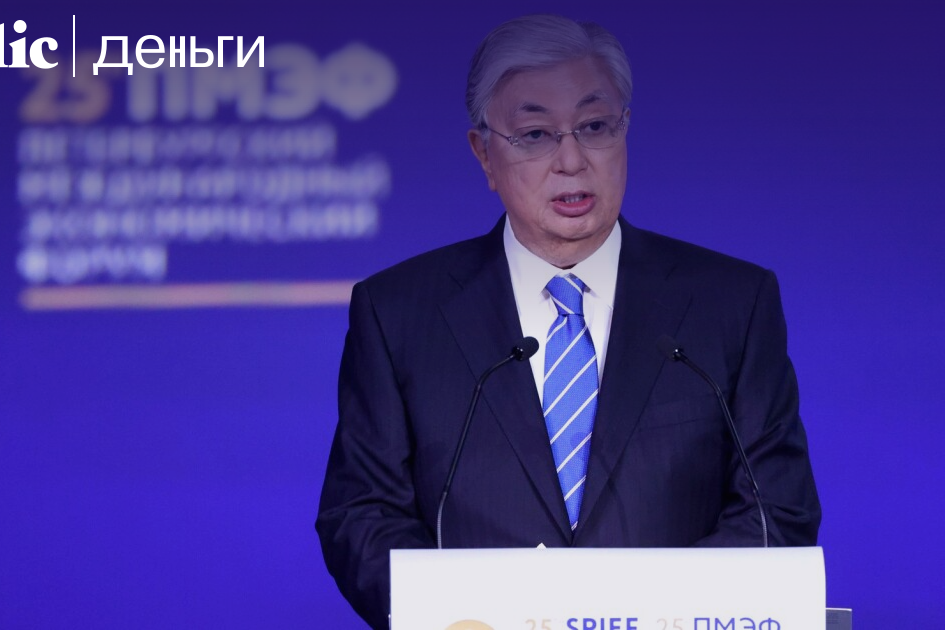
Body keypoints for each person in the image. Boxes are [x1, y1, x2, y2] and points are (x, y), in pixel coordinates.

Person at [314, 13, 821, 629]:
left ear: (625, 129)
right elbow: (362, 516)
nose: (572, 160)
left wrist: (636, 617)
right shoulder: (397, 313)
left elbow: (774, 511)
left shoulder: (732, 303)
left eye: (595, 126)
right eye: (534, 134)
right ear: (484, 154)